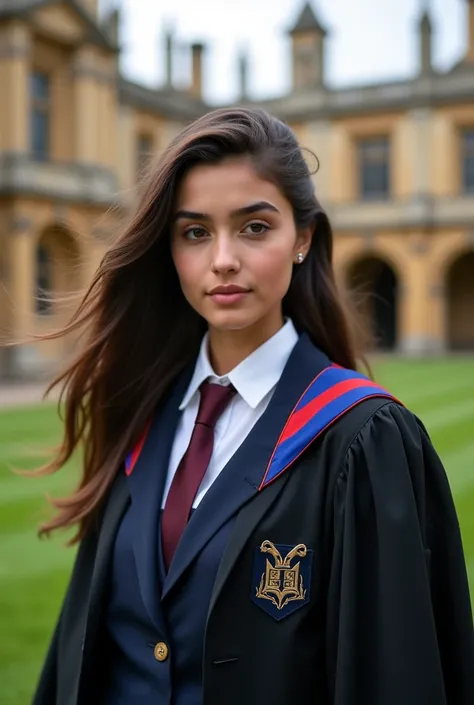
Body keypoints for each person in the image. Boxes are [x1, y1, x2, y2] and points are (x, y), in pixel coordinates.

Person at [31, 107, 473, 705]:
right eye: (194, 232)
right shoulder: (140, 414)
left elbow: (392, 675)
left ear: (303, 238)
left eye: (255, 227)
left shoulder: (362, 438)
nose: (222, 260)